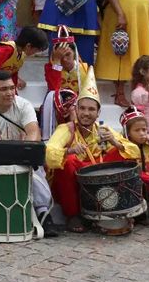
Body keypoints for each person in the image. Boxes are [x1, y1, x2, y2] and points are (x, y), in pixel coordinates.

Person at [0, 70, 58, 237]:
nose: (9, 93)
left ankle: (44, 214)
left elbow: (33, 131)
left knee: (34, 166)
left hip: (20, 158)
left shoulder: (23, 105)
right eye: (3, 89)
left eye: (12, 88)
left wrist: (26, 151)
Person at [44, 70, 128, 233]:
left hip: (97, 182)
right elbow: (49, 152)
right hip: (72, 182)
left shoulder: (104, 130)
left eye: (91, 109)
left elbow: (132, 151)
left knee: (120, 153)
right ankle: (72, 214)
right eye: (82, 108)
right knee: (68, 162)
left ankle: (116, 205)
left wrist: (114, 142)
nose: (86, 113)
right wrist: (69, 150)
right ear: (76, 110)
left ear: (98, 113)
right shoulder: (66, 129)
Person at [102, 107, 149, 202]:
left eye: (144, 130)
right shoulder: (123, 149)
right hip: (130, 184)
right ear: (127, 132)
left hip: (148, 182)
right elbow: (131, 171)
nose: (142, 133)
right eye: (137, 130)